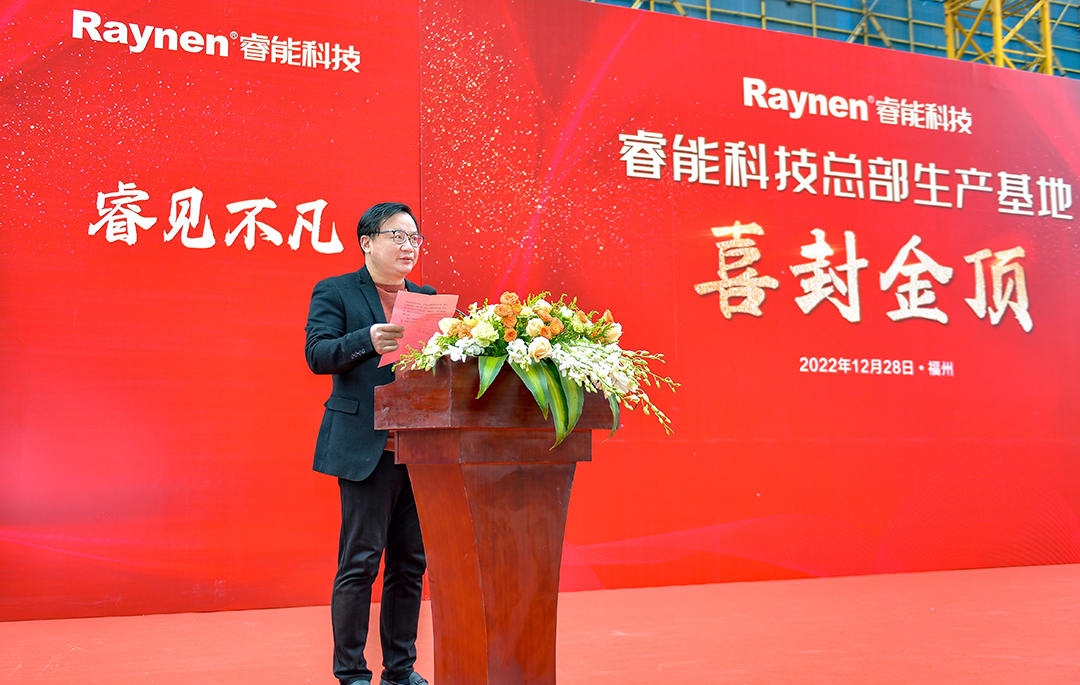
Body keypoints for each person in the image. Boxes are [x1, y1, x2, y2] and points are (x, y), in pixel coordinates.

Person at [304, 201, 431, 685]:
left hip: (420, 450)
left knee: (410, 566)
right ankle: (352, 673)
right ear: (367, 242)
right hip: (366, 448)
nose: (408, 246)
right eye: (397, 236)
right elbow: (318, 354)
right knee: (360, 562)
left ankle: (400, 670)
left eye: (414, 238)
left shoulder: (426, 299)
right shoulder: (335, 290)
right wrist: (367, 339)